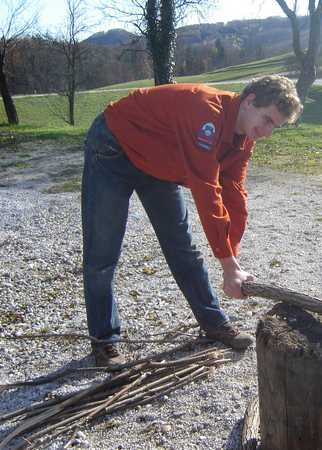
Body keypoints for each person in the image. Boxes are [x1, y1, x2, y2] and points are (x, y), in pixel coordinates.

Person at [82, 75, 303, 367]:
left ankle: (214, 323)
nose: (268, 132)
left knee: (182, 248)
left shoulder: (244, 139)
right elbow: (206, 190)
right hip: (114, 146)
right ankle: (104, 341)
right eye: (267, 120)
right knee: (102, 252)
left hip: (158, 160)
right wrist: (228, 267)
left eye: (275, 126)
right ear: (250, 101)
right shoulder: (206, 113)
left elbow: (233, 195)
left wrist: (232, 261)